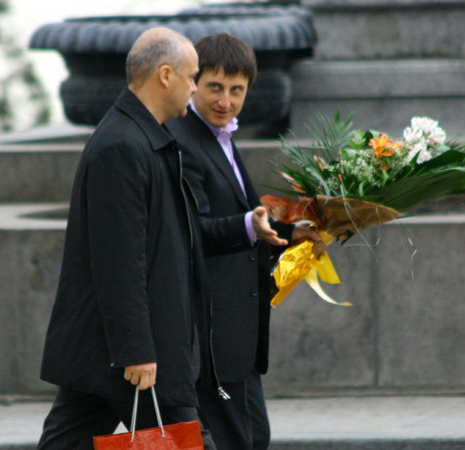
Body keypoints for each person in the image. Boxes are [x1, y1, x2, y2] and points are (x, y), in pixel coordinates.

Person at [37, 27, 217, 449]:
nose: (195, 89)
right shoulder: (122, 146)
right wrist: (136, 350)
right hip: (136, 357)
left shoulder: (141, 139)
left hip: (127, 351)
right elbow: (119, 259)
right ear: (166, 75)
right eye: (192, 77)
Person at [166, 33, 320, 450]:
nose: (226, 102)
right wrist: (250, 226)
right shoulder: (182, 142)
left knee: (253, 438)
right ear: (194, 82)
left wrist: (295, 234)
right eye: (215, 87)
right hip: (212, 336)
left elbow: (251, 219)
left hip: (239, 336)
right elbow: (192, 231)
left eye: (237, 91)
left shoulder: (221, 137)